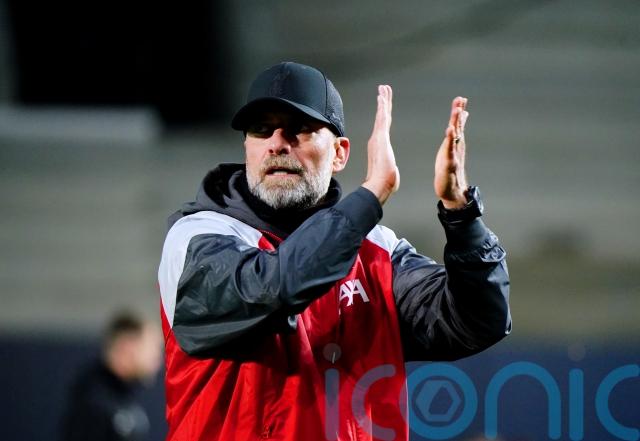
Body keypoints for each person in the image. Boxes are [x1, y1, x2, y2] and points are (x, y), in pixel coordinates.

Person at [158, 61, 511, 441]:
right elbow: (271, 288)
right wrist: (371, 196)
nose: (277, 143)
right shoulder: (196, 237)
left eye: (299, 129)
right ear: (247, 148)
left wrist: (460, 213)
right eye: (261, 130)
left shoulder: (378, 251)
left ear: (340, 154)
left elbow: (478, 322)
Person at [60, 312, 163, 441]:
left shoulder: (124, 399)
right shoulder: (92, 403)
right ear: (127, 347)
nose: (158, 358)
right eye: (153, 347)